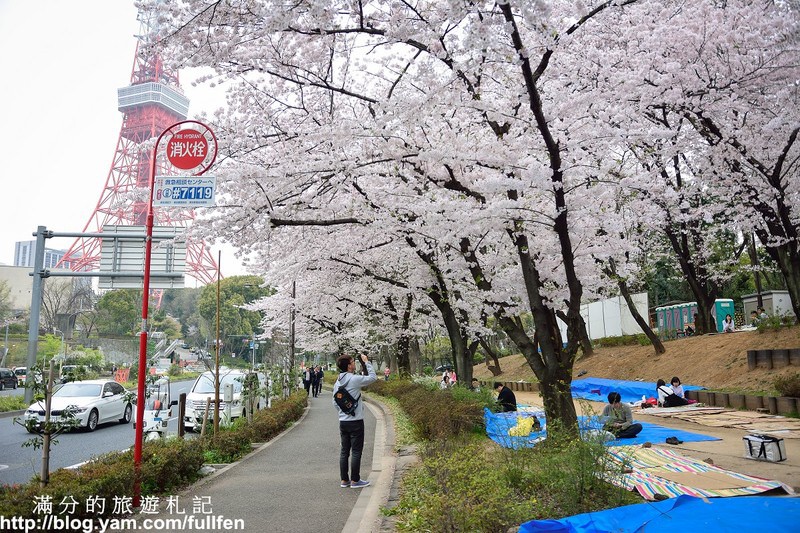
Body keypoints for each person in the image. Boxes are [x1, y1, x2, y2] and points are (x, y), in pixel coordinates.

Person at [333, 353, 377, 489]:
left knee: (344, 451)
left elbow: (335, 402)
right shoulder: (354, 379)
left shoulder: (338, 381)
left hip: (343, 421)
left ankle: (344, 480)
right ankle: (355, 480)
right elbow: (373, 378)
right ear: (349, 366)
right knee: (356, 451)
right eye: (353, 362)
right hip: (356, 421)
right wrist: (367, 362)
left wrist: (344, 412)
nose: (354, 364)